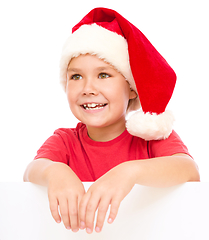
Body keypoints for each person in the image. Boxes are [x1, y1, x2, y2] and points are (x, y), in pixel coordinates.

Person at [23, 7, 200, 234]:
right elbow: (32, 171)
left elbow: (189, 170)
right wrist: (55, 171)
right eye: (76, 76)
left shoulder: (150, 137)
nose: (88, 89)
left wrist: (129, 172)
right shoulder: (65, 141)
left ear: (132, 89)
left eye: (103, 75)